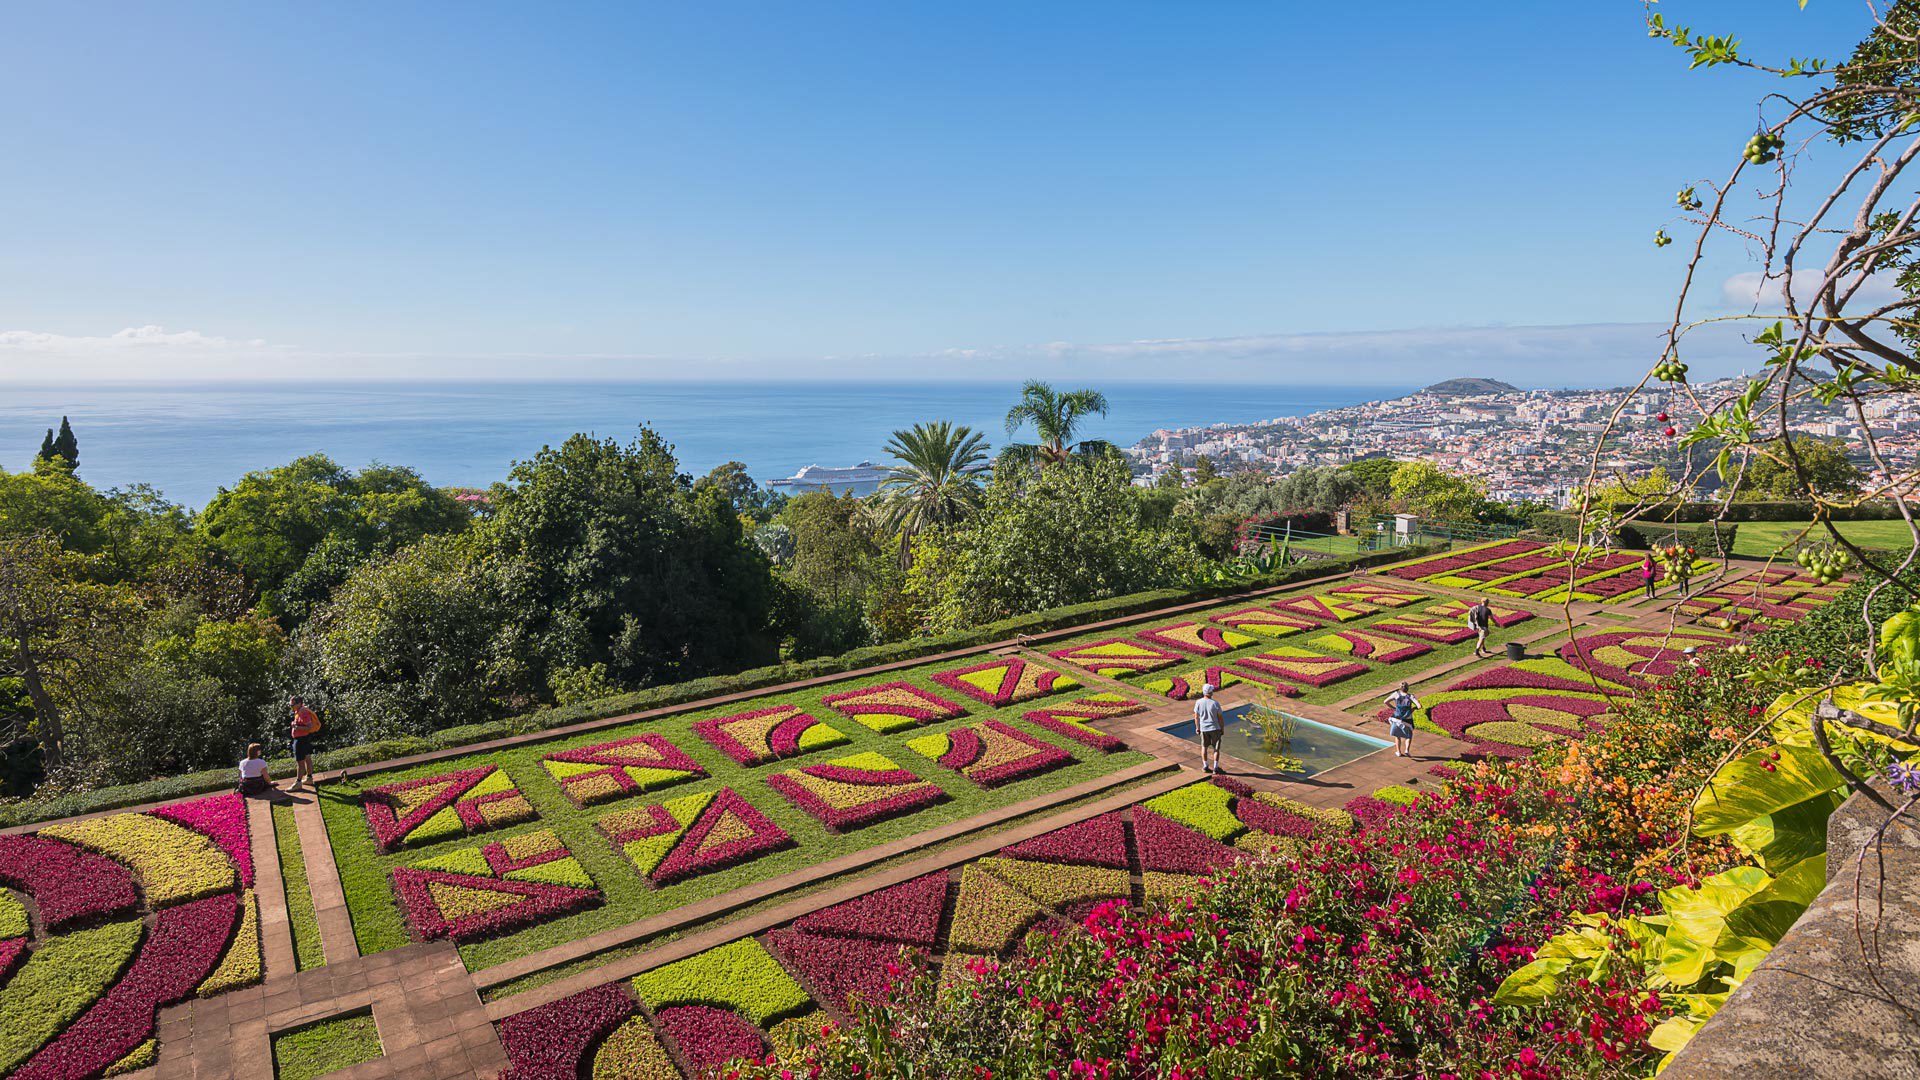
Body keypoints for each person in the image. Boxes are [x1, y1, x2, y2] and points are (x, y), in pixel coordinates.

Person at [1193, 683, 1226, 775]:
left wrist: (1197, 728)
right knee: (1216, 749)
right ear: (1211, 692)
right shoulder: (1215, 704)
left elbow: (1196, 717)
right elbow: (1220, 718)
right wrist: (1222, 728)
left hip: (1204, 728)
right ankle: (1215, 768)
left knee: (1204, 747)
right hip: (1215, 728)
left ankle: (1205, 766)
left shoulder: (1198, 702)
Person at [289, 696, 321, 789]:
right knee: (307, 757)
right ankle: (309, 778)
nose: (291, 707)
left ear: (299, 703)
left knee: (300, 762)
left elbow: (309, 727)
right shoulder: (299, 711)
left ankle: (298, 783)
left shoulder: (303, 712)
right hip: (304, 739)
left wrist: (296, 727)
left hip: (301, 740)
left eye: (292, 705)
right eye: (290, 705)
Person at [1383, 681, 1419, 758]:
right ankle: (1407, 750)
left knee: (1397, 735)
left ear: (1399, 688)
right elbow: (1419, 706)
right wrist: (1413, 709)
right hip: (1407, 720)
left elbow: (1385, 701)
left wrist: (1393, 708)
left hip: (1396, 718)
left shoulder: (1396, 694)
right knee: (1408, 736)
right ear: (1407, 688)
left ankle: (1398, 752)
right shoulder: (1411, 696)